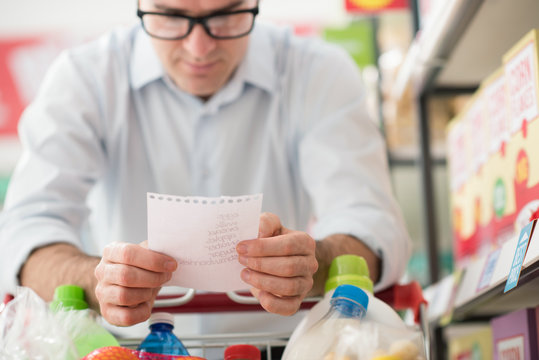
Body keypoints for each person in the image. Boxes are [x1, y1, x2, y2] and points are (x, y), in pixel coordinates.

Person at [0, 0, 411, 332]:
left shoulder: (318, 72)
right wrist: (97, 280)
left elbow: (373, 223)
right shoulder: (86, 78)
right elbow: (26, 229)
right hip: (127, 347)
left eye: (226, 14)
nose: (199, 47)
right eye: (171, 15)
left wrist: (311, 261)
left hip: (280, 343)